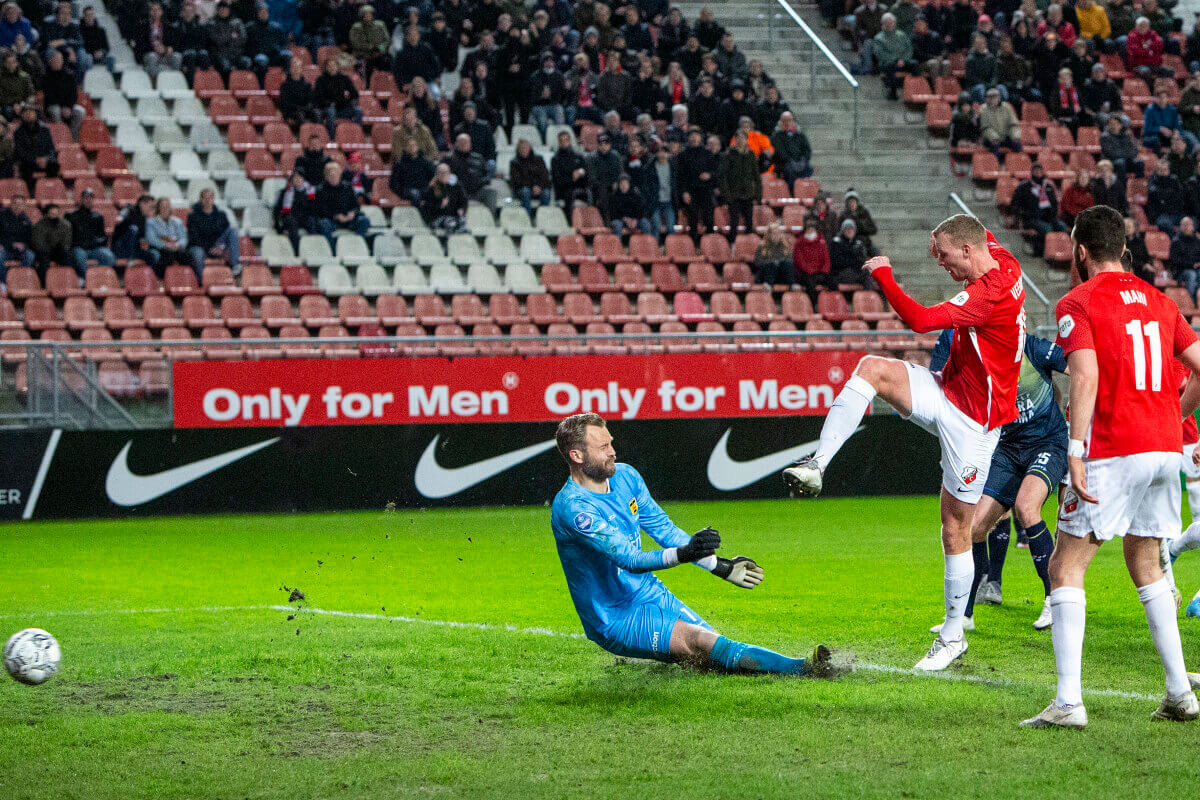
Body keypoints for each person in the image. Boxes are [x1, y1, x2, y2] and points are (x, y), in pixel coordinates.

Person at [784, 214, 1024, 672]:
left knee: (955, 528)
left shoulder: (987, 295)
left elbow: (917, 320)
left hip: (975, 423)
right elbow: (970, 230)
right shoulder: (999, 255)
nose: (942, 266)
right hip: (947, 389)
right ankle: (817, 464)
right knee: (871, 368)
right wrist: (939, 237)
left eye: (946, 257)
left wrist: (883, 274)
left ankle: (954, 637)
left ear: (971, 252)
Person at [1022, 205, 1200, 729]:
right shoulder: (1160, 300)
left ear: (1080, 251)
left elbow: (1083, 376)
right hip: (1165, 448)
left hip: (1114, 447)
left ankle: (1069, 703)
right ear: (1123, 247)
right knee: (1147, 563)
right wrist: (1177, 410)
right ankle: (1179, 693)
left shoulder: (1078, 300)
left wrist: (1074, 451)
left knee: (1064, 567)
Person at [550, 412, 842, 676]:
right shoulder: (575, 508)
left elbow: (663, 528)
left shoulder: (626, 476)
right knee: (701, 642)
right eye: (603, 448)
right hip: (612, 614)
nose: (613, 452)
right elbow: (629, 559)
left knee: (711, 652)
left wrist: (719, 567)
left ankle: (677, 660)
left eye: (611, 443)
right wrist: (685, 554)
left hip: (648, 592)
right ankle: (804, 669)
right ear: (577, 455)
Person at [928, 329, 1068, 633]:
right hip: (1007, 449)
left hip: (1048, 443)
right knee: (975, 527)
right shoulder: (979, 357)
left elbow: (1075, 364)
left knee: (1026, 508)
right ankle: (965, 615)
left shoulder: (1031, 346)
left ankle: (1053, 600)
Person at [1012, 163, 1067, 256]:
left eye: (1040, 171)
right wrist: (1024, 214)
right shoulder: (1024, 187)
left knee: (1062, 227)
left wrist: (1053, 217)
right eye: (1035, 171)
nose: (1038, 173)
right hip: (1032, 219)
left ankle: (1063, 253)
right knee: (1048, 229)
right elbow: (1015, 204)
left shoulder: (1048, 186)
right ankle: (1048, 254)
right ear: (1032, 173)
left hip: (1049, 218)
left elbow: (1054, 204)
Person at [187, 188, 240, 279]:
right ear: (201, 199)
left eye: (210, 198)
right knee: (197, 252)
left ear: (213, 199)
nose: (207, 200)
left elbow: (225, 233)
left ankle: (234, 265)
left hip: (216, 244)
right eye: (205, 198)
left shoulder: (221, 215)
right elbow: (194, 237)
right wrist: (209, 249)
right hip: (200, 246)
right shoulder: (193, 216)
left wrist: (221, 247)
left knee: (232, 231)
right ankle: (202, 281)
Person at [719, 129, 760, 242]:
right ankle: (732, 246)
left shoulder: (751, 155)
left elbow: (756, 177)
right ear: (735, 140)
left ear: (747, 140)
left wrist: (757, 196)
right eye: (738, 138)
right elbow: (723, 177)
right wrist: (727, 196)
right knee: (734, 223)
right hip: (734, 195)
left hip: (748, 195)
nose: (741, 140)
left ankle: (749, 246)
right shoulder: (728, 155)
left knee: (749, 223)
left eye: (743, 138)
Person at [315, 161, 368, 245]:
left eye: (335, 172)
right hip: (332, 220)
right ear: (326, 176)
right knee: (323, 223)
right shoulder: (321, 190)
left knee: (364, 220)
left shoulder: (348, 187)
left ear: (340, 173)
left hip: (349, 219)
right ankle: (332, 251)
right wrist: (336, 216)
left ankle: (357, 245)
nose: (333, 175)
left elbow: (356, 207)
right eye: (330, 173)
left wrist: (353, 213)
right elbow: (320, 211)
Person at [66, 188, 114, 279]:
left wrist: (98, 242)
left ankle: (99, 278)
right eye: (86, 198)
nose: (89, 200)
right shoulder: (71, 216)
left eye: (91, 198)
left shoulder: (98, 216)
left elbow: (102, 235)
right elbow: (69, 236)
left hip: (94, 248)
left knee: (109, 256)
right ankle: (86, 279)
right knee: (79, 256)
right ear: (81, 199)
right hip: (78, 247)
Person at [13, 105, 57, 195]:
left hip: (44, 161)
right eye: (26, 112)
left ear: (36, 114)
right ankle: (31, 194)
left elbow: (52, 149)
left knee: (54, 166)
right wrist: (35, 160)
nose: (29, 114)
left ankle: (51, 192)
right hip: (28, 162)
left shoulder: (44, 130)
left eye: (31, 111)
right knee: (26, 169)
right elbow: (20, 153)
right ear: (22, 115)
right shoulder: (18, 132)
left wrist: (46, 159)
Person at [313, 56, 361, 137]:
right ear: (326, 67)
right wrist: (329, 103)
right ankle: (331, 138)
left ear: (337, 67)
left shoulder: (344, 78)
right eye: (329, 66)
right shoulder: (320, 80)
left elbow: (354, 94)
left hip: (342, 108)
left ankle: (356, 135)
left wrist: (347, 100)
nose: (332, 68)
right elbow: (318, 97)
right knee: (331, 111)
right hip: (327, 108)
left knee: (358, 111)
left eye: (334, 65)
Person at [421, 162, 467, 235]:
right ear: (437, 174)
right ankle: (449, 243)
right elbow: (426, 208)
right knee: (451, 223)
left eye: (446, 172)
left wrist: (462, 209)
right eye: (441, 173)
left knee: (462, 222)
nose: (444, 175)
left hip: (452, 217)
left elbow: (463, 201)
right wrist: (440, 206)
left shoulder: (456, 186)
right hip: (436, 218)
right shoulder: (431, 189)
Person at [874, 13, 912, 101]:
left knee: (915, 65)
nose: (889, 25)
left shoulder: (902, 35)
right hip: (888, 63)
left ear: (894, 23)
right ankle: (892, 92)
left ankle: (916, 92)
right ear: (883, 24)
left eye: (891, 22)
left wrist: (903, 59)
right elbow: (880, 53)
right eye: (887, 23)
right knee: (890, 68)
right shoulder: (878, 38)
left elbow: (909, 49)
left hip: (903, 61)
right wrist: (896, 59)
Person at [0, 191, 34, 289]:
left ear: (24, 206)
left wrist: (24, 246)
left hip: (19, 250)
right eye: (15, 203)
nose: (18, 206)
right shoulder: (2, 216)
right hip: (5, 248)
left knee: (30, 255)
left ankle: (20, 280)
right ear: (11, 204)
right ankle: (2, 282)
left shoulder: (26, 220)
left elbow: (29, 239)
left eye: (21, 204)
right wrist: (11, 244)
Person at [30, 203, 73, 278]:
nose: (54, 216)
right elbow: (39, 244)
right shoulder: (38, 225)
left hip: (59, 250)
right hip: (44, 251)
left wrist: (61, 248)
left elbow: (67, 242)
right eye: (52, 214)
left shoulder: (66, 225)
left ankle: (67, 280)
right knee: (43, 261)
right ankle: (43, 284)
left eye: (56, 214)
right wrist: (50, 248)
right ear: (47, 214)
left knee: (68, 258)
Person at [509, 139, 552, 216]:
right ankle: (527, 217)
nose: (524, 150)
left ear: (530, 148)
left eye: (526, 147)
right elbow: (517, 180)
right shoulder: (514, 163)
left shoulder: (539, 159)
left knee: (546, 193)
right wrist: (532, 186)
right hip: (522, 189)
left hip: (539, 188)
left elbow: (544, 176)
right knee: (525, 192)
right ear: (518, 150)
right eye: (521, 148)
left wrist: (539, 186)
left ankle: (543, 217)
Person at [389, 137, 434, 206]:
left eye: (414, 145)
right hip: (406, 192)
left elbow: (433, 178)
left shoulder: (425, 163)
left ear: (418, 147)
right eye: (410, 145)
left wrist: (427, 189)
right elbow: (393, 183)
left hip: (424, 190)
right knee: (415, 194)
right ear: (405, 148)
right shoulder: (399, 164)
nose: (412, 147)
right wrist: (402, 191)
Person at [145, 197, 189, 269]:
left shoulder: (177, 221)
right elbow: (152, 240)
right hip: (160, 248)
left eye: (167, 206)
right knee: (168, 255)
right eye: (162, 207)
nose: (165, 209)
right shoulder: (151, 222)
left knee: (186, 255)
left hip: (176, 248)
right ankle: (163, 278)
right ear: (158, 208)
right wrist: (166, 245)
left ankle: (185, 277)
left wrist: (178, 245)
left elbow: (183, 238)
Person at [793, 216, 832, 295]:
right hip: (806, 273)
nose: (810, 230)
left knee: (833, 281)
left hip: (820, 272)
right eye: (808, 229)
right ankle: (813, 305)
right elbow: (800, 261)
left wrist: (823, 271)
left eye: (812, 229)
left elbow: (826, 259)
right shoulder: (799, 243)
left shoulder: (821, 242)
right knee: (810, 284)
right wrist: (811, 271)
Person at [770, 112, 812, 185]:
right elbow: (780, 151)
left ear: (793, 121)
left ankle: (802, 190)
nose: (787, 123)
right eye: (784, 121)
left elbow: (807, 149)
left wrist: (803, 160)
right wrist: (790, 161)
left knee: (808, 169)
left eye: (789, 120)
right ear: (781, 122)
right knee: (789, 170)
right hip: (784, 163)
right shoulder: (777, 135)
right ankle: (792, 192)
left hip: (799, 161)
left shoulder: (800, 134)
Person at [1147, 158, 1187, 231]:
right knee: (1165, 224)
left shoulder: (1174, 179)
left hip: (1176, 213)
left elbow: (1179, 197)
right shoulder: (1152, 180)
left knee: (1189, 222)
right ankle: (1175, 241)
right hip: (1160, 214)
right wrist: (1169, 194)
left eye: (1164, 169)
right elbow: (1156, 195)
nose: (1162, 172)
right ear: (1156, 170)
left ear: (1169, 170)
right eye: (1160, 169)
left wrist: (1164, 195)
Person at [979, 87, 1020, 157]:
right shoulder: (983, 108)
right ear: (986, 99)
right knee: (994, 143)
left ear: (999, 98)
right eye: (990, 97)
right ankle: (993, 165)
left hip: (1005, 136)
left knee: (1017, 143)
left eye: (995, 97)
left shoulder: (1006, 107)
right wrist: (994, 137)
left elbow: (1013, 124)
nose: (992, 99)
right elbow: (985, 128)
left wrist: (1015, 136)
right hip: (990, 138)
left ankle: (1019, 163)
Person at [1169, 217, 1200, 301]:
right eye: (1184, 225)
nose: (1187, 227)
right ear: (1180, 227)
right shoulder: (1176, 241)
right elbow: (1175, 260)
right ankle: (1190, 301)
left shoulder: (1197, 241)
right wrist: (1192, 264)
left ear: (1193, 227)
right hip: (1180, 271)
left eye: (1189, 225)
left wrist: (1197, 264)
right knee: (1191, 275)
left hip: (1196, 268)